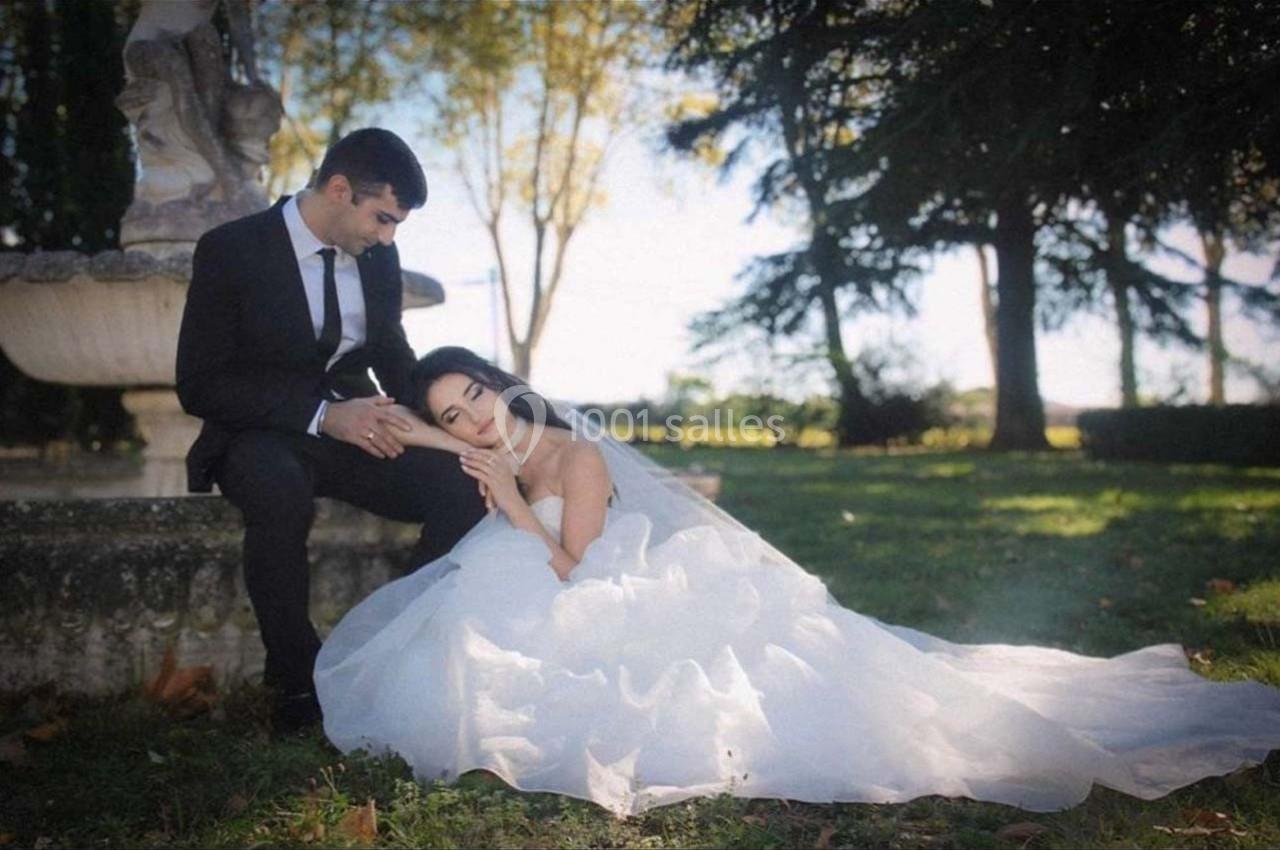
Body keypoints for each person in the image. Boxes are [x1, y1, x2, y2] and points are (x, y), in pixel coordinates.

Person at [315, 347, 1280, 817]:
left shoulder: (570, 462)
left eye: (475, 398)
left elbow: (573, 572)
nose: (471, 423)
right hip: (557, 568)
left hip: (605, 586)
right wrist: (402, 423)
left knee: (511, 605)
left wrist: (516, 514)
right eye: (454, 414)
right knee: (467, 613)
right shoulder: (502, 447)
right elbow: (470, 447)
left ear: (502, 384)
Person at [175, 130, 487, 733]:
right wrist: (322, 416)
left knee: (461, 482)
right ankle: (295, 683)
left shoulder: (378, 258)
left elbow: (391, 351)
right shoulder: (230, 250)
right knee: (277, 489)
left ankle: (396, 651)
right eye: (384, 218)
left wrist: (445, 421)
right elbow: (200, 383)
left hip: (358, 425)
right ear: (340, 190)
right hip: (259, 431)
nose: (388, 236)